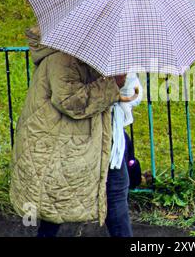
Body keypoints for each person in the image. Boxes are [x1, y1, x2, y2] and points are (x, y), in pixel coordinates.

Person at [9, 26, 133, 237]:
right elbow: (71, 100)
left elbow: (129, 92)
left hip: (99, 138)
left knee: (114, 193)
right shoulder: (62, 57)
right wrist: (113, 84)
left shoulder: (91, 52)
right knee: (58, 201)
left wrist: (123, 85)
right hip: (65, 141)